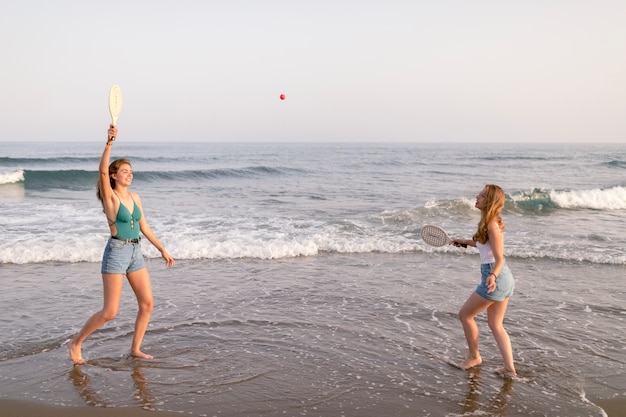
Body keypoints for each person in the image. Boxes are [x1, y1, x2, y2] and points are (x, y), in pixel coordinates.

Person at [69, 125, 175, 365]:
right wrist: (109, 142)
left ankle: (135, 349)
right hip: (117, 252)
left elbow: (144, 227)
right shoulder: (111, 198)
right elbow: (102, 173)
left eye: (131, 171)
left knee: (147, 303)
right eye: (124, 171)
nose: (129, 174)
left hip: (136, 252)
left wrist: (162, 249)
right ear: (114, 175)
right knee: (110, 312)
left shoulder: (135, 197)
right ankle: (76, 343)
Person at [452, 184, 517, 378]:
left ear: (488, 201)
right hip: (503, 279)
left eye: (480, 195)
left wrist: (492, 276)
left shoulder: (491, 225)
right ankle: (509, 370)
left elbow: (500, 258)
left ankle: (474, 357)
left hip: (495, 277)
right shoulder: (488, 223)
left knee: (465, 315)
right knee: (495, 324)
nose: (477, 197)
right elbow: (482, 244)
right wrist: (464, 241)